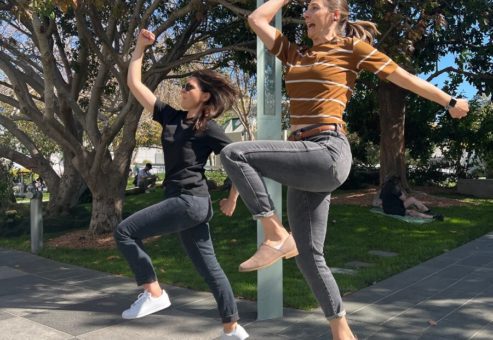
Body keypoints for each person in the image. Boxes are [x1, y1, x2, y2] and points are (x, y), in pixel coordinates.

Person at [218, 1, 469, 339]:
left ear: (335, 15)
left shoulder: (352, 49)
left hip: (327, 150)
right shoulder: (297, 55)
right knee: (309, 256)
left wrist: (450, 102)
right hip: (305, 157)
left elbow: (402, 76)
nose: (305, 15)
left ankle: (276, 235)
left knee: (234, 153)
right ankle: (342, 332)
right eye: (304, 9)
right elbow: (256, 18)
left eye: (313, 8)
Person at [114, 29, 248, 340]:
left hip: (191, 201)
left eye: (188, 87)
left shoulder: (210, 129)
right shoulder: (171, 116)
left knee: (124, 232)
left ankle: (154, 293)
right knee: (208, 267)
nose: (182, 89)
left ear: (205, 96)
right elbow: (135, 84)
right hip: (187, 203)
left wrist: (233, 198)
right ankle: (232, 328)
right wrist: (139, 48)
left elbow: (238, 163)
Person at [379, 175, 443, 220]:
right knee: (410, 212)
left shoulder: (384, 187)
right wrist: (400, 190)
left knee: (412, 199)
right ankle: (432, 216)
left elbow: (382, 200)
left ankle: (427, 211)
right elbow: (403, 198)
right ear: (396, 181)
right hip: (392, 209)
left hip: (391, 207)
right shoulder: (394, 188)